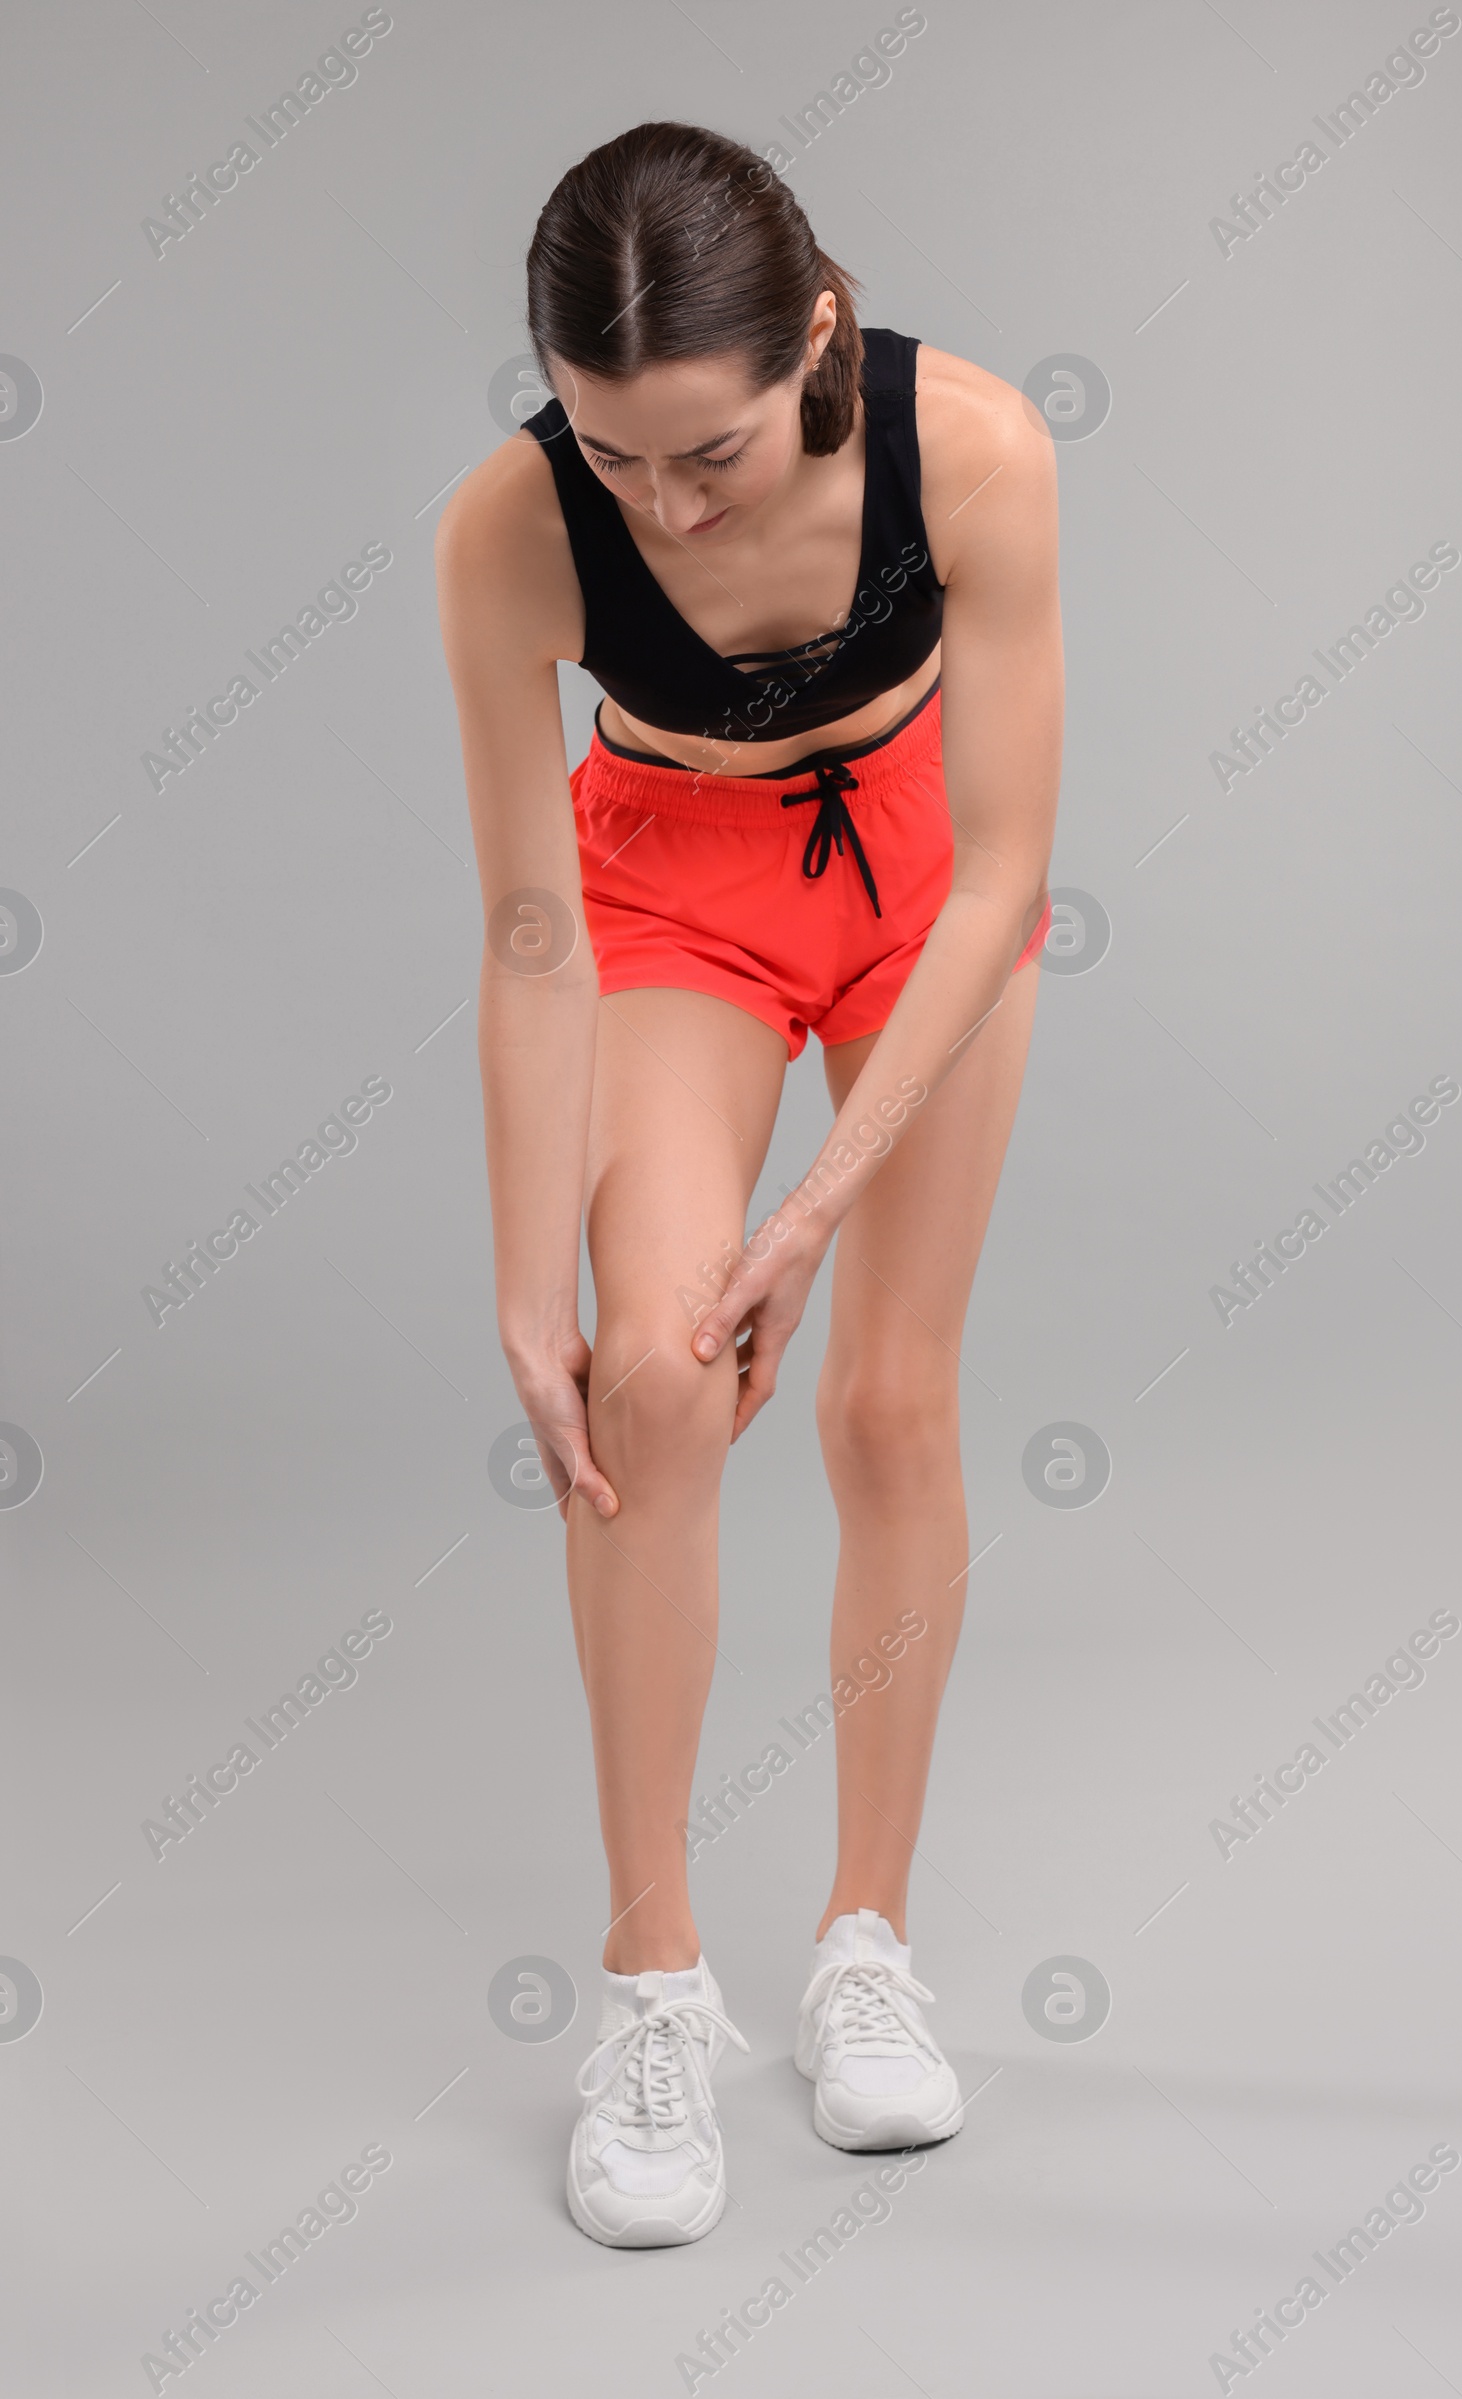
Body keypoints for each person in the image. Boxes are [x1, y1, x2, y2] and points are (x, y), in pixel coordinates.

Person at [436, 120, 1062, 2248]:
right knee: (641, 1396)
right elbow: (530, 932)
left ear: (813, 337)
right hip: (669, 898)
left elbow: (999, 877)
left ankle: (863, 1944)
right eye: (612, 454)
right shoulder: (510, 533)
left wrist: (814, 1213)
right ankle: (649, 1987)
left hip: (917, 899)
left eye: (702, 453)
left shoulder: (964, 447)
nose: (662, 504)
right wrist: (527, 1281)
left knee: (884, 1400)